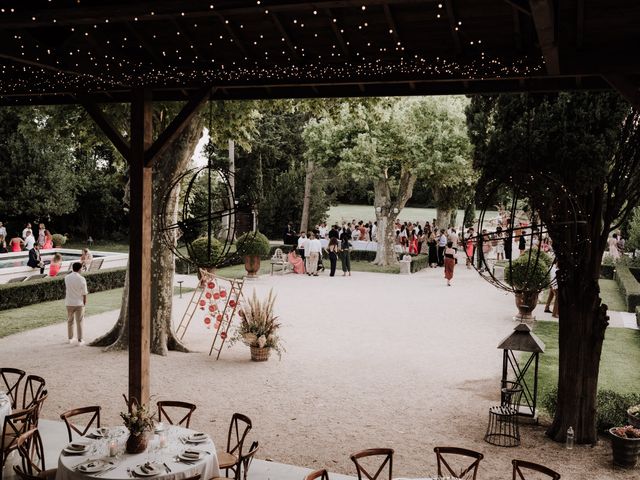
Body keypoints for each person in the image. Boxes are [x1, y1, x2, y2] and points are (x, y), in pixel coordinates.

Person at [65, 262, 88, 345]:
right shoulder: (82, 279)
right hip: (79, 303)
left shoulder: (66, 277)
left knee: (70, 321)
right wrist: (84, 303)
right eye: (81, 268)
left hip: (69, 302)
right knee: (80, 322)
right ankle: (80, 340)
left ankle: (70, 338)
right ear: (79, 269)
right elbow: (84, 293)